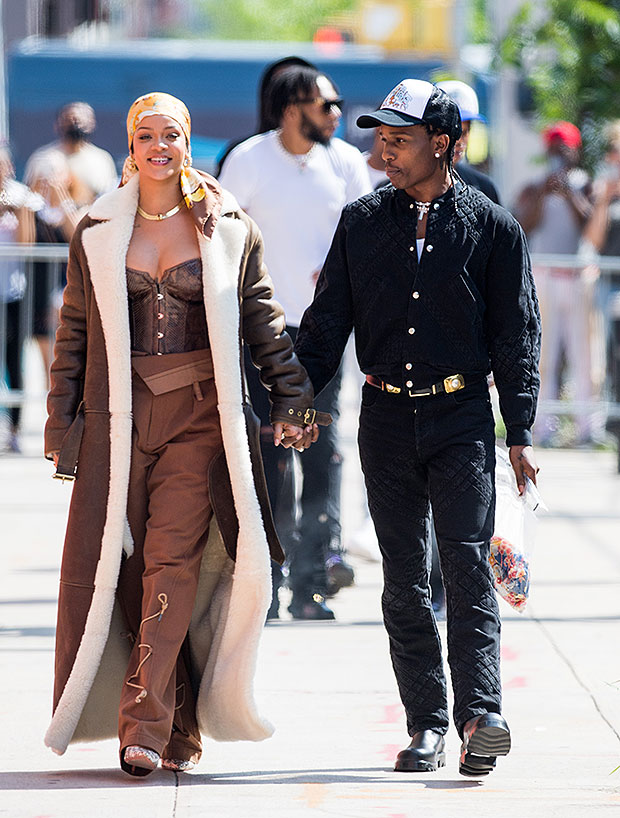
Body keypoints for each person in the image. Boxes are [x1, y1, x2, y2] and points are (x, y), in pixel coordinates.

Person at [43, 91, 327, 777]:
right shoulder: (97, 228)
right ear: (131, 145)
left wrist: (293, 399)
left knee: (173, 561)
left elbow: (263, 317)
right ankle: (174, 723)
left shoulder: (227, 224)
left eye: (172, 133)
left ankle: (141, 726)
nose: (159, 146)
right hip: (118, 422)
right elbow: (74, 333)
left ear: (188, 142)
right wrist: (59, 423)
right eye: (147, 134)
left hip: (200, 418)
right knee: (128, 573)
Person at [295, 79, 541, 776]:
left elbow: (516, 335)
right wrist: (296, 400)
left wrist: (517, 429)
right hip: (385, 416)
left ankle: (480, 716)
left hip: (461, 417)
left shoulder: (493, 228)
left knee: (465, 567)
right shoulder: (363, 222)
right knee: (403, 580)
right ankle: (428, 724)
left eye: (398, 141)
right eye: (380, 139)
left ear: (443, 143)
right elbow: (325, 326)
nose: (383, 153)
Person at [219, 65, 371, 620]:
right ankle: (265, 582)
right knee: (268, 453)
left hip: (325, 332)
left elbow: (367, 233)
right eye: (325, 103)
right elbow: (222, 237)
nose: (336, 113)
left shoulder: (346, 163)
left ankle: (312, 580)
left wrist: (339, 274)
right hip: (263, 330)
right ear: (292, 109)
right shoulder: (250, 160)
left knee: (323, 453)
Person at [24, 102, 118, 375]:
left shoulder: (100, 160)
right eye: (69, 118)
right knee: (43, 326)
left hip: (85, 258)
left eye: (80, 118)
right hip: (45, 262)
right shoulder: (42, 157)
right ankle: (48, 384)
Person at [515, 121, 593, 445]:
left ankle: (587, 427)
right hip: (544, 277)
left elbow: (590, 226)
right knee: (542, 354)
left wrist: (570, 194)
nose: (559, 154)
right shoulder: (535, 185)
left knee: (582, 353)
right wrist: (544, 193)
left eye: (565, 147)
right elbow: (523, 225)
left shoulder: (585, 184)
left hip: (575, 278)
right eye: (554, 148)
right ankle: (541, 425)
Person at [0, 146, 42, 452]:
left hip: (13, 291)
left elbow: (27, 245)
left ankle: (14, 427)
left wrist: (22, 212)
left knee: (15, 359)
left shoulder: (20, 195)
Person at [437, 80, 500, 204]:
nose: (459, 140)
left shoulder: (484, 188)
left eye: (465, 132)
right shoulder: (403, 187)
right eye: (452, 131)